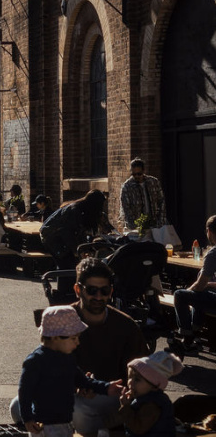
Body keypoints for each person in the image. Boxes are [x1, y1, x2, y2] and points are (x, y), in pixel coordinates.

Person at [17, 305, 122, 437]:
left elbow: (83, 381)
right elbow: (25, 392)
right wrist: (27, 418)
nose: (77, 343)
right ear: (55, 337)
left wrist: (107, 388)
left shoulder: (67, 359)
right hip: (44, 425)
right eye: (73, 338)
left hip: (65, 422)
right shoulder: (36, 361)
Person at [71, 258, 148, 433]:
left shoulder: (126, 326)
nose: (98, 297)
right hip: (72, 393)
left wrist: (104, 388)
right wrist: (78, 386)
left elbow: (143, 375)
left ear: (111, 291)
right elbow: (49, 367)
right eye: (91, 290)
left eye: (104, 290)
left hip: (113, 395)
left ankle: (104, 428)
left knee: (78, 410)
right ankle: (104, 428)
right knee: (18, 405)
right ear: (78, 290)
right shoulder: (63, 320)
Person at [171, 214, 216, 352]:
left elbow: (200, 285)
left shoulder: (213, 254)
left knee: (180, 294)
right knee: (201, 293)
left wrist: (190, 289)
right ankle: (195, 331)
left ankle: (187, 336)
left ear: (209, 231)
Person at [40, 190, 110, 270]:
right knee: (67, 265)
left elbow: (79, 232)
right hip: (52, 238)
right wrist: (78, 251)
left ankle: (66, 280)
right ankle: (65, 281)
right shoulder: (75, 211)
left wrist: (83, 249)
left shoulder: (81, 210)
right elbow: (68, 234)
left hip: (57, 237)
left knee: (69, 265)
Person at [119, 352, 183, 436]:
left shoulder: (152, 405)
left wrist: (126, 407)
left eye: (137, 379)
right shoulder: (145, 397)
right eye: (130, 377)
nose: (130, 382)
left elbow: (137, 428)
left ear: (155, 386)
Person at [119, 158, 167, 232]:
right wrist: (136, 227)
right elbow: (126, 210)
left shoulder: (153, 182)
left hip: (154, 224)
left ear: (144, 171)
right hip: (136, 228)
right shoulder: (127, 187)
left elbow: (161, 202)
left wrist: (160, 222)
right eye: (134, 174)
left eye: (139, 174)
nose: (137, 176)